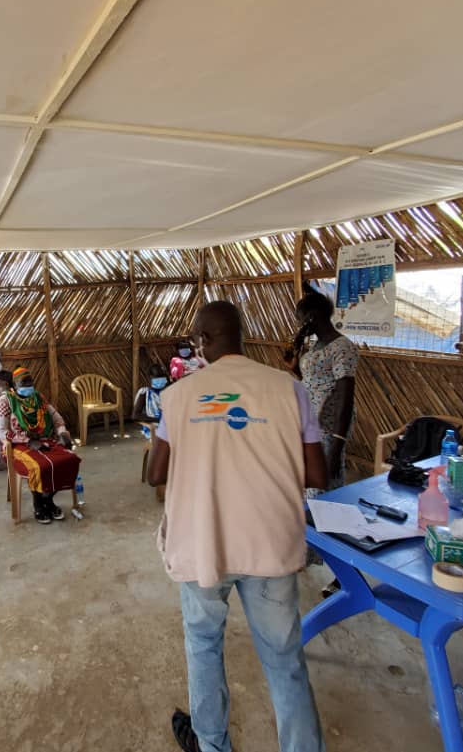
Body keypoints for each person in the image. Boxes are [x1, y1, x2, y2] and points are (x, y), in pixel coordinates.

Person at [148, 301, 327, 752]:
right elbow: (317, 475)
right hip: (270, 544)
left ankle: (211, 744)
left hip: (203, 544)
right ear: (241, 335)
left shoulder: (179, 394)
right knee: (285, 660)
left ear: (203, 341)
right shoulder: (289, 389)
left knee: (204, 646)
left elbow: (155, 472)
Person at [0, 367, 80, 524]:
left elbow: (56, 418)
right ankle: (38, 504)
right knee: (39, 467)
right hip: (17, 445)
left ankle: (48, 499)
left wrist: (62, 433)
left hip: (44, 439)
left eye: (30, 381)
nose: (28, 384)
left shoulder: (38, 397)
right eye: (24, 382)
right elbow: (1, 431)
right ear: (14, 384)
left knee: (70, 460)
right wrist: (26, 440)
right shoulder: (6, 400)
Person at [292, 285, 358, 490]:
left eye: (302, 319)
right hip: (310, 418)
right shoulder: (317, 345)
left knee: (324, 481)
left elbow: (345, 396)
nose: (300, 325)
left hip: (328, 421)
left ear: (313, 316)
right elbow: (314, 381)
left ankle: (326, 521)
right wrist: (295, 368)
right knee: (309, 480)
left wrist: (337, 445)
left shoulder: (342, 346)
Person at [134, 362, 170, 503]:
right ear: (150, 378)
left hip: (170, 426)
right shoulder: (145, 393)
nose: (160, 380)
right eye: (157, 378)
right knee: (169, 445)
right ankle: (162, 487)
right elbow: (135, 415)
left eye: (162, 377)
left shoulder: (171, 391)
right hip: (153, 428)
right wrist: (158, 419)